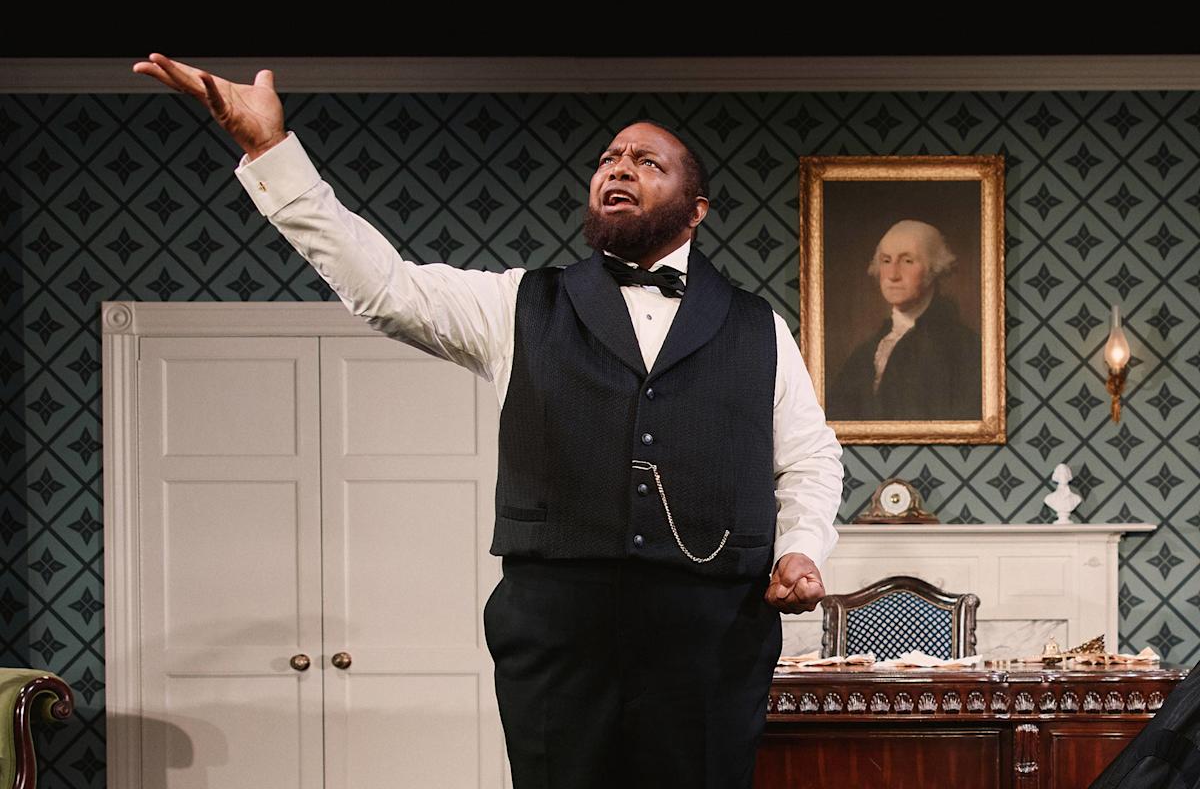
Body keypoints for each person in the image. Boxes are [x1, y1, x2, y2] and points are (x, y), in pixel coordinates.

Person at [132, 54, 844, 788]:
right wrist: (270, 152)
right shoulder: (518, 303)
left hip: (711, 633)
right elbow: (386, 288)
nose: (618, 167)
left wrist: (801, 548)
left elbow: (810, 458)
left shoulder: (758, 328)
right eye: (608, 158)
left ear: (695, 208)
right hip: (556, 631)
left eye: (647, 161)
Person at [827, 219, 981, 421]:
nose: (892, 275)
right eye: (886, 261)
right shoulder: (866, 352)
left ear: (934, 268)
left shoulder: (963, 347)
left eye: (907, 261)